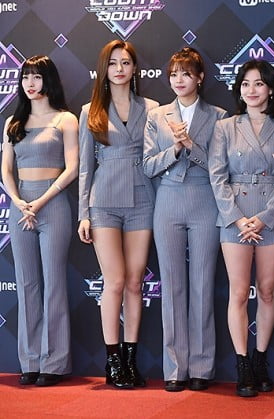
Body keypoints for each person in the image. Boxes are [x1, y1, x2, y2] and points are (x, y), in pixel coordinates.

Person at [209, 60, 274, 397]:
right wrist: (237, 218)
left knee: (268, 290)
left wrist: (263, 218)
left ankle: (260, 359)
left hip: (270, 217)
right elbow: (217, 176)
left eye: (258, 83)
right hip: (234, 217)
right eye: (245, 84)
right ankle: (242, 363)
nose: (251, 90)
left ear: (271, 89)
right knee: (238, 292)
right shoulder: (225, 127)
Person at [143, 47, 227, 392]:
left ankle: (202, 368)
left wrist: (190, 144)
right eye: (174, 74)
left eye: (186, 73)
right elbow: (148, 165)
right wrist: (175, 149)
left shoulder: (219, 116)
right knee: (173, 285)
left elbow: (219, 166)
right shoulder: (157, 116)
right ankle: (175, 368)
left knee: (203, 284)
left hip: (205, 199)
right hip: (167, 200)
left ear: (200, 78)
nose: (179, 80)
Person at [77, 40, 159, 389]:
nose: (120, 69)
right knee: (114, 281)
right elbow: (85, 167)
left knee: (134, 282)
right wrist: (83, 213)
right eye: (113, 63)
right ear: (104, 69)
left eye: (125, 62)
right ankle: (112, 361)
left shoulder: (152, 109)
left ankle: (130, 358)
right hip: (104, 202)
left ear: (134, 68)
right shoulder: (90, 111)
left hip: (142, 198)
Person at [1, 56, 78, 387]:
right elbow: (6, 169)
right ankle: (30, 360)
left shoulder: (65, 119)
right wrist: (18, 201)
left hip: (53, 203)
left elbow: (72, 168)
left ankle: (55, 362)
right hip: (21, 207)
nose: (30, 84)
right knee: (27, 283)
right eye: (25, 77)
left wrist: (41, 201)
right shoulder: (12, 122)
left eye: (36, 77)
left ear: (49, 80)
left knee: (54, 283)